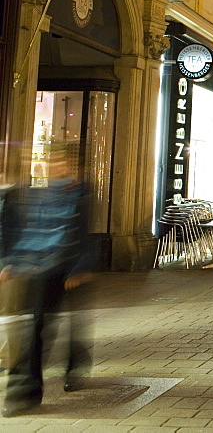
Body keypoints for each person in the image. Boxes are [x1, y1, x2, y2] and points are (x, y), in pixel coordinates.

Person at [1, 145, 96, 417]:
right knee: (36, 327)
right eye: (53, 163)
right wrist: (14, 262)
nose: (57, 168)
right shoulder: (38, 192)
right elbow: (29, 229)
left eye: (62, 163)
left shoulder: (81, 193)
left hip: (69, 267)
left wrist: (82, 267)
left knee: (74, 325)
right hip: (42, 268)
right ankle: (23, 392)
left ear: (72, 166)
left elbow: (85, 232)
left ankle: (75, 366)